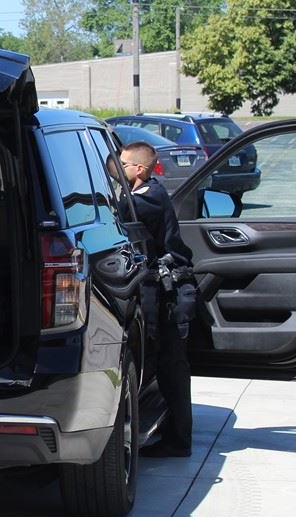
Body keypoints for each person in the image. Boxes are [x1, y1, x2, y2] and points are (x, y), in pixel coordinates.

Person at [120, 141, 195, 458]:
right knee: (169, 365)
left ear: (139, 169)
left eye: (121, 164)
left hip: (163, 290)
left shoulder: (146, 199)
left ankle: (177, 439)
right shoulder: (151, 191)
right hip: (163, 286)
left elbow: (119, 213)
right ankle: (175, 433)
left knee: (165, 364)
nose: (116, 168)